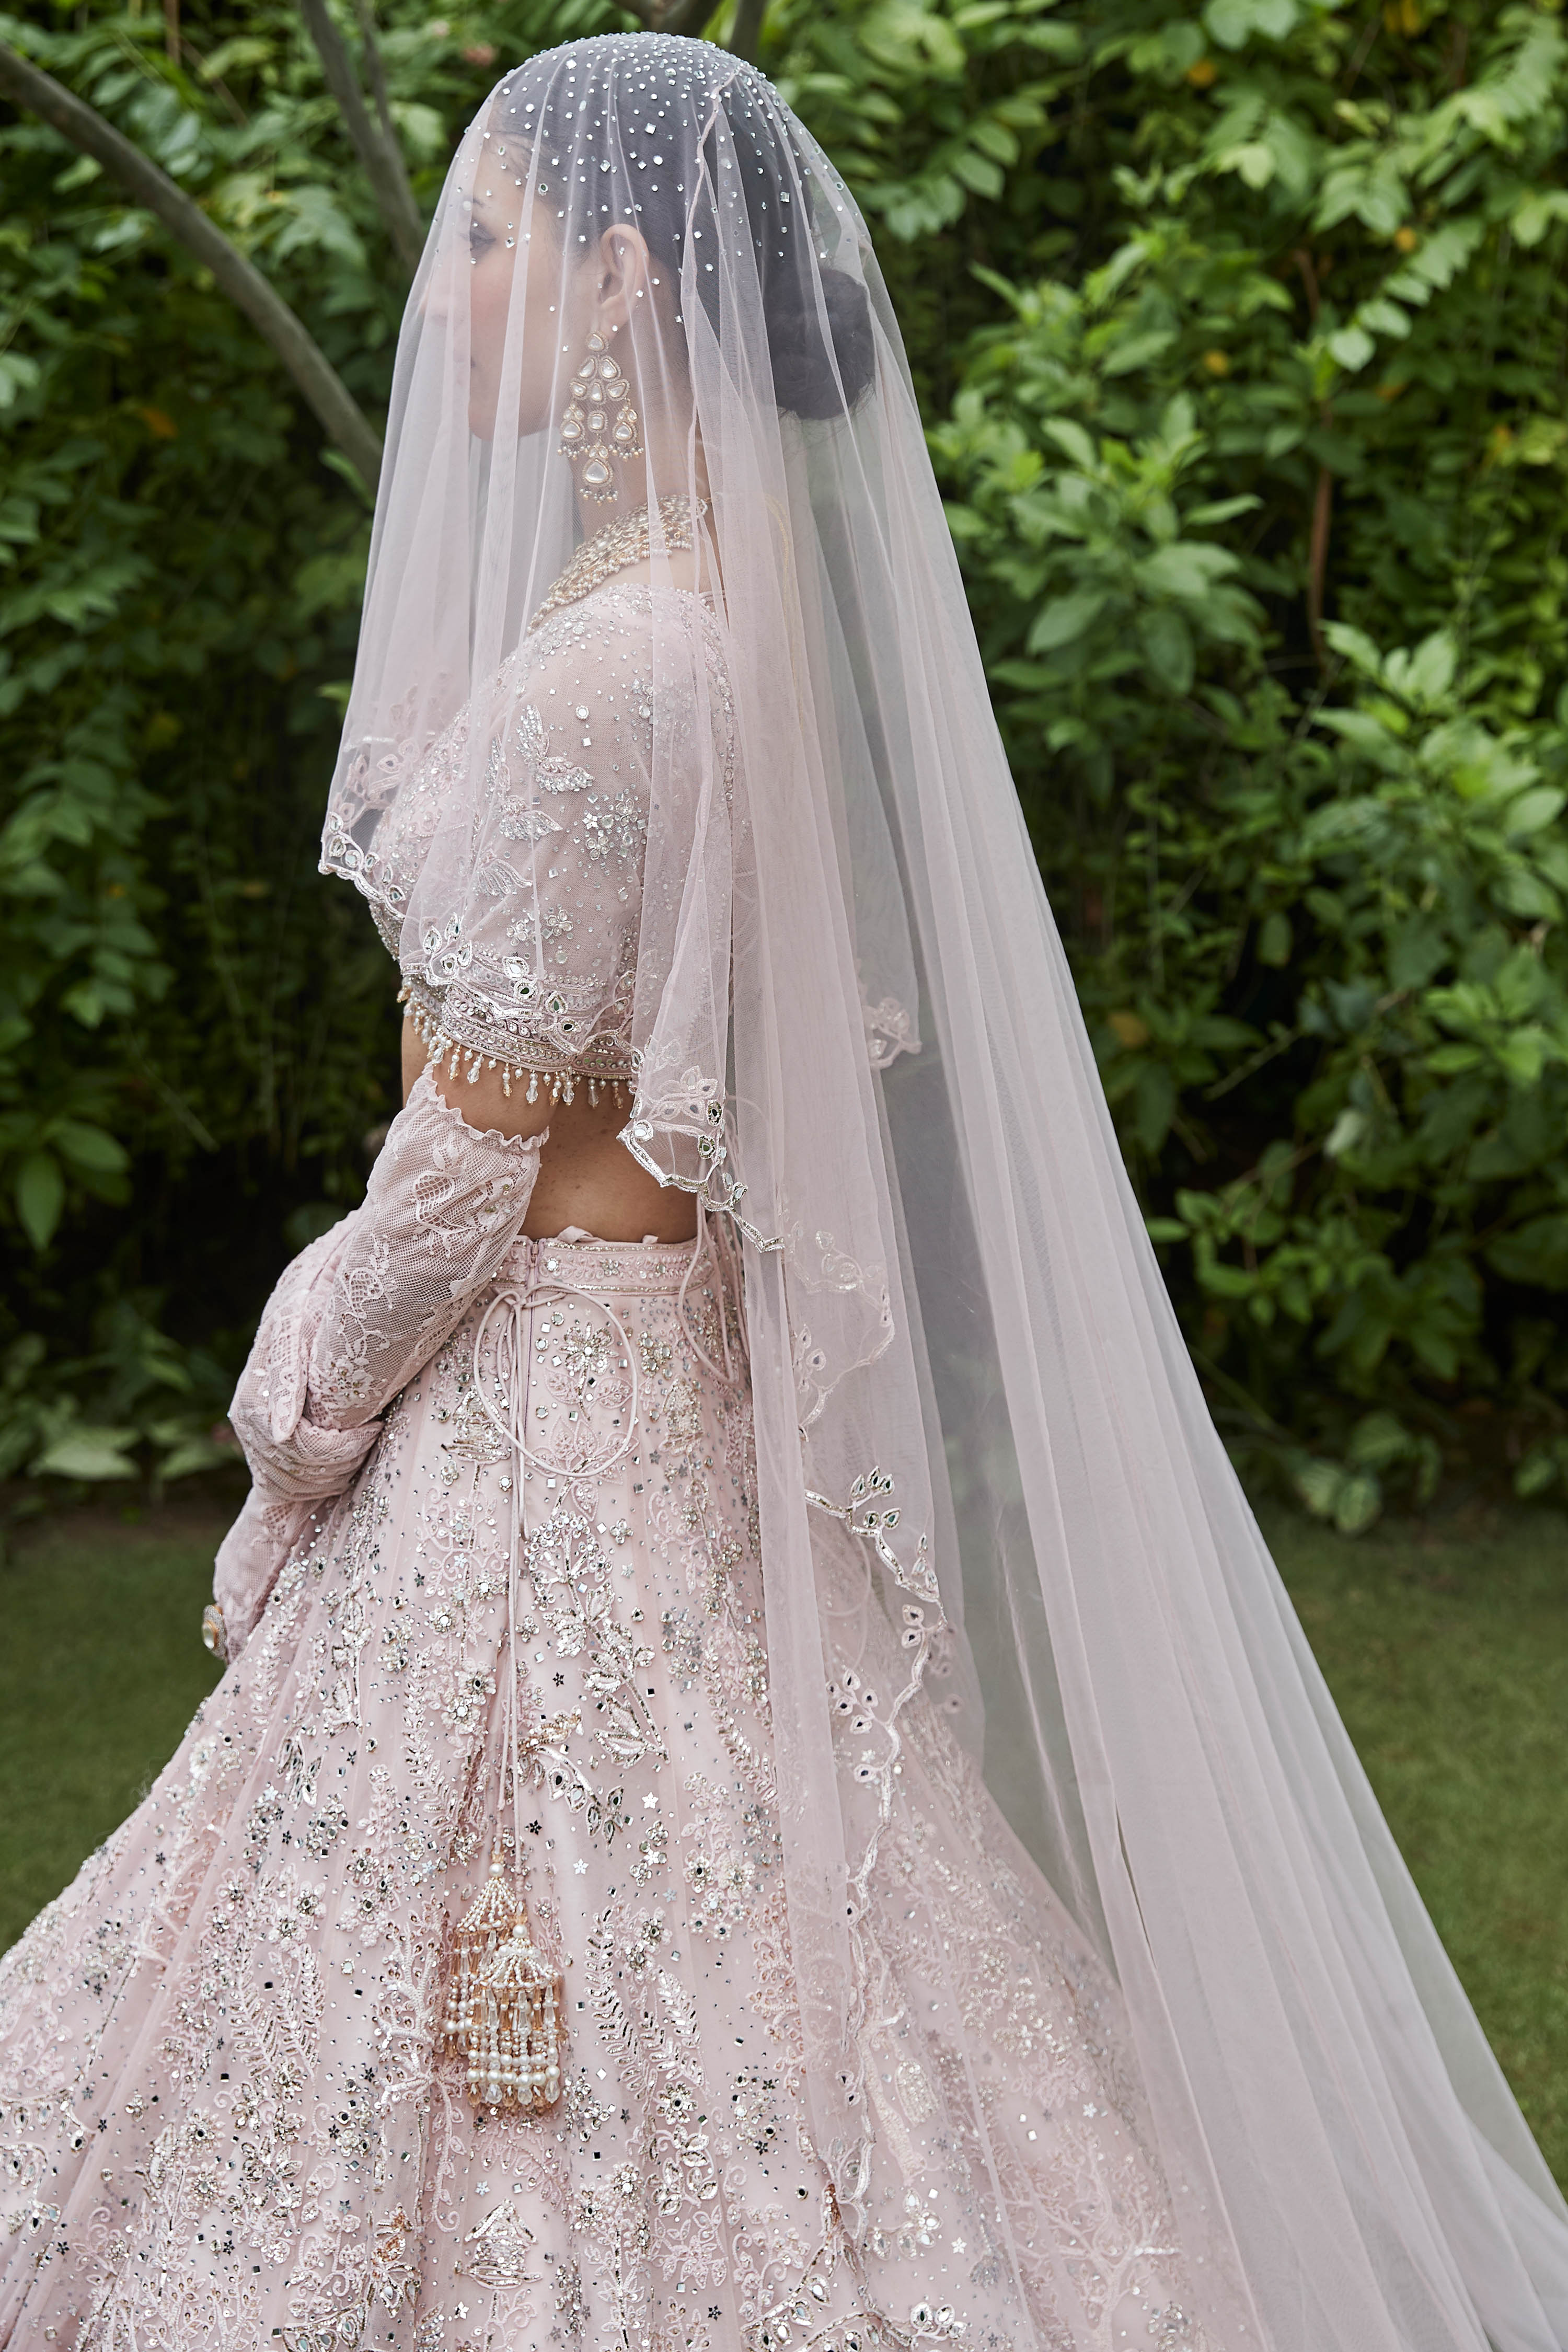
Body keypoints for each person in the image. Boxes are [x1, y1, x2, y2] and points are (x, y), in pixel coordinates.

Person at [2, 32, 1566, 2352]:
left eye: (498, 248)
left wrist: (299, 1399)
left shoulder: (597, 676)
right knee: (762, 1912)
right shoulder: (743, 626)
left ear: (623, 280)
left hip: (536, 1408)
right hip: (672, 1400)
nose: (451, 307)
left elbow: (466, 1160)